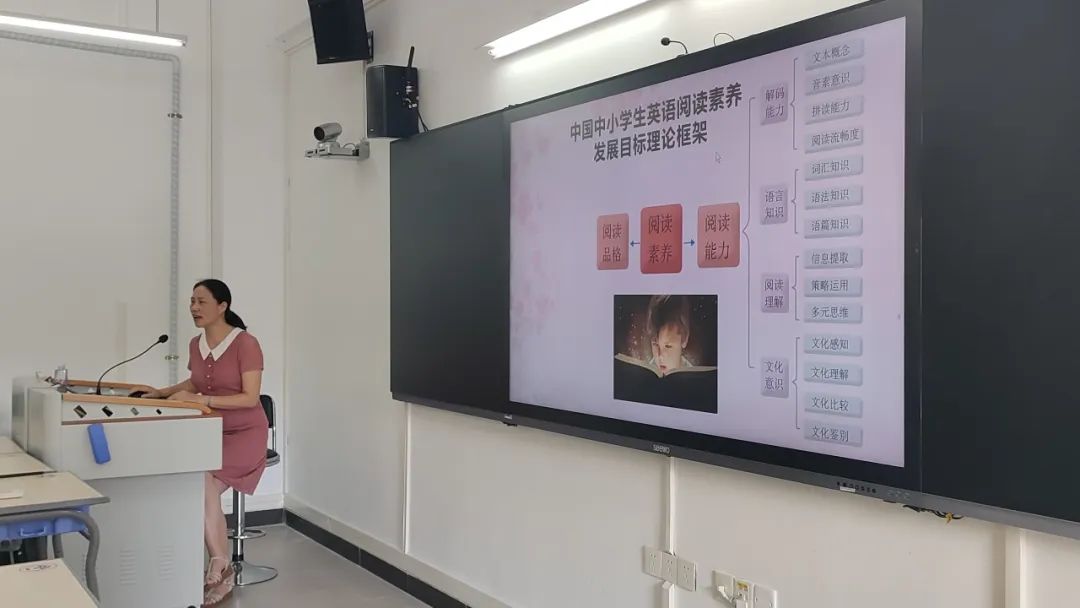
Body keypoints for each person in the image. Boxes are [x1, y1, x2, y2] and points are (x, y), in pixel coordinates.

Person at [135, 279, 267, 606]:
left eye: (201, 301)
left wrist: (201, 399)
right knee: (197, 484)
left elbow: (250, 398)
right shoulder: (197, 344)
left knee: (201, 480)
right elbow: (195, 382)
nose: (194, 308)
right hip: (210, 433)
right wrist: (161, 393)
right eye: (192, 301)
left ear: (222, 306)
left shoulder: (246, 343)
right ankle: (219, 567)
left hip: (246, 434)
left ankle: (219, 564)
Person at [646, 294, 695, 376]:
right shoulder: (646, 375)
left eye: (668, 346)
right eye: (655, 344)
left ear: (684, 339)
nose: (660, 356)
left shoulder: (694, 379)